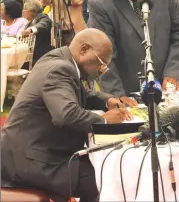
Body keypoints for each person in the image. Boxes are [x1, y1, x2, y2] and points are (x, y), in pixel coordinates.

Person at [1, 28, 132, 201]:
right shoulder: (60, 68)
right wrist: (104, 120)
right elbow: (66, 114)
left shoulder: (58, 59)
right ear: (84, 49)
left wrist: (106, 101)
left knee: (100, 167)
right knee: (105, 176)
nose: (101, 71)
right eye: (102, 64)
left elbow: (80, 92)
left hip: (28, 150)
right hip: (31, 160)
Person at [88, 0, 179, 106]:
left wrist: (173, 72)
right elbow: (102, 56)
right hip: (127, 92)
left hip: (166, 88)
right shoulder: (100, 3)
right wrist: (117, 94)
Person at [21, 0, 53, 65]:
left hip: (41, 56)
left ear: (32, 11)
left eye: (24, 11)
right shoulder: (30, 22)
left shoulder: (44, 18)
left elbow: (42, 24)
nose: (23, 13)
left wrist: (30, 30)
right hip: (30, 54)